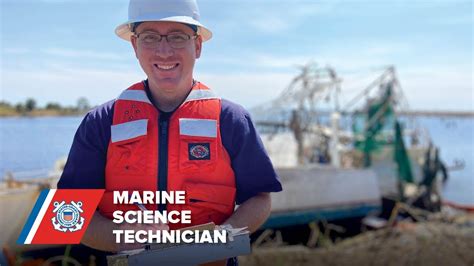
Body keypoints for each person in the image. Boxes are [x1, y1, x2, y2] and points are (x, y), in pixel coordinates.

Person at [57, 0, 282, 263]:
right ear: (134, 46)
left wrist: (222, 239)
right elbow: (66, 213)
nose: (164, 51)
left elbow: (259, 198)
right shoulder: (99, 123)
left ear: (197, 46)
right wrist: (118, 235)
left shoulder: (232, 119)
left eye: (177, 37)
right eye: (150, 37)